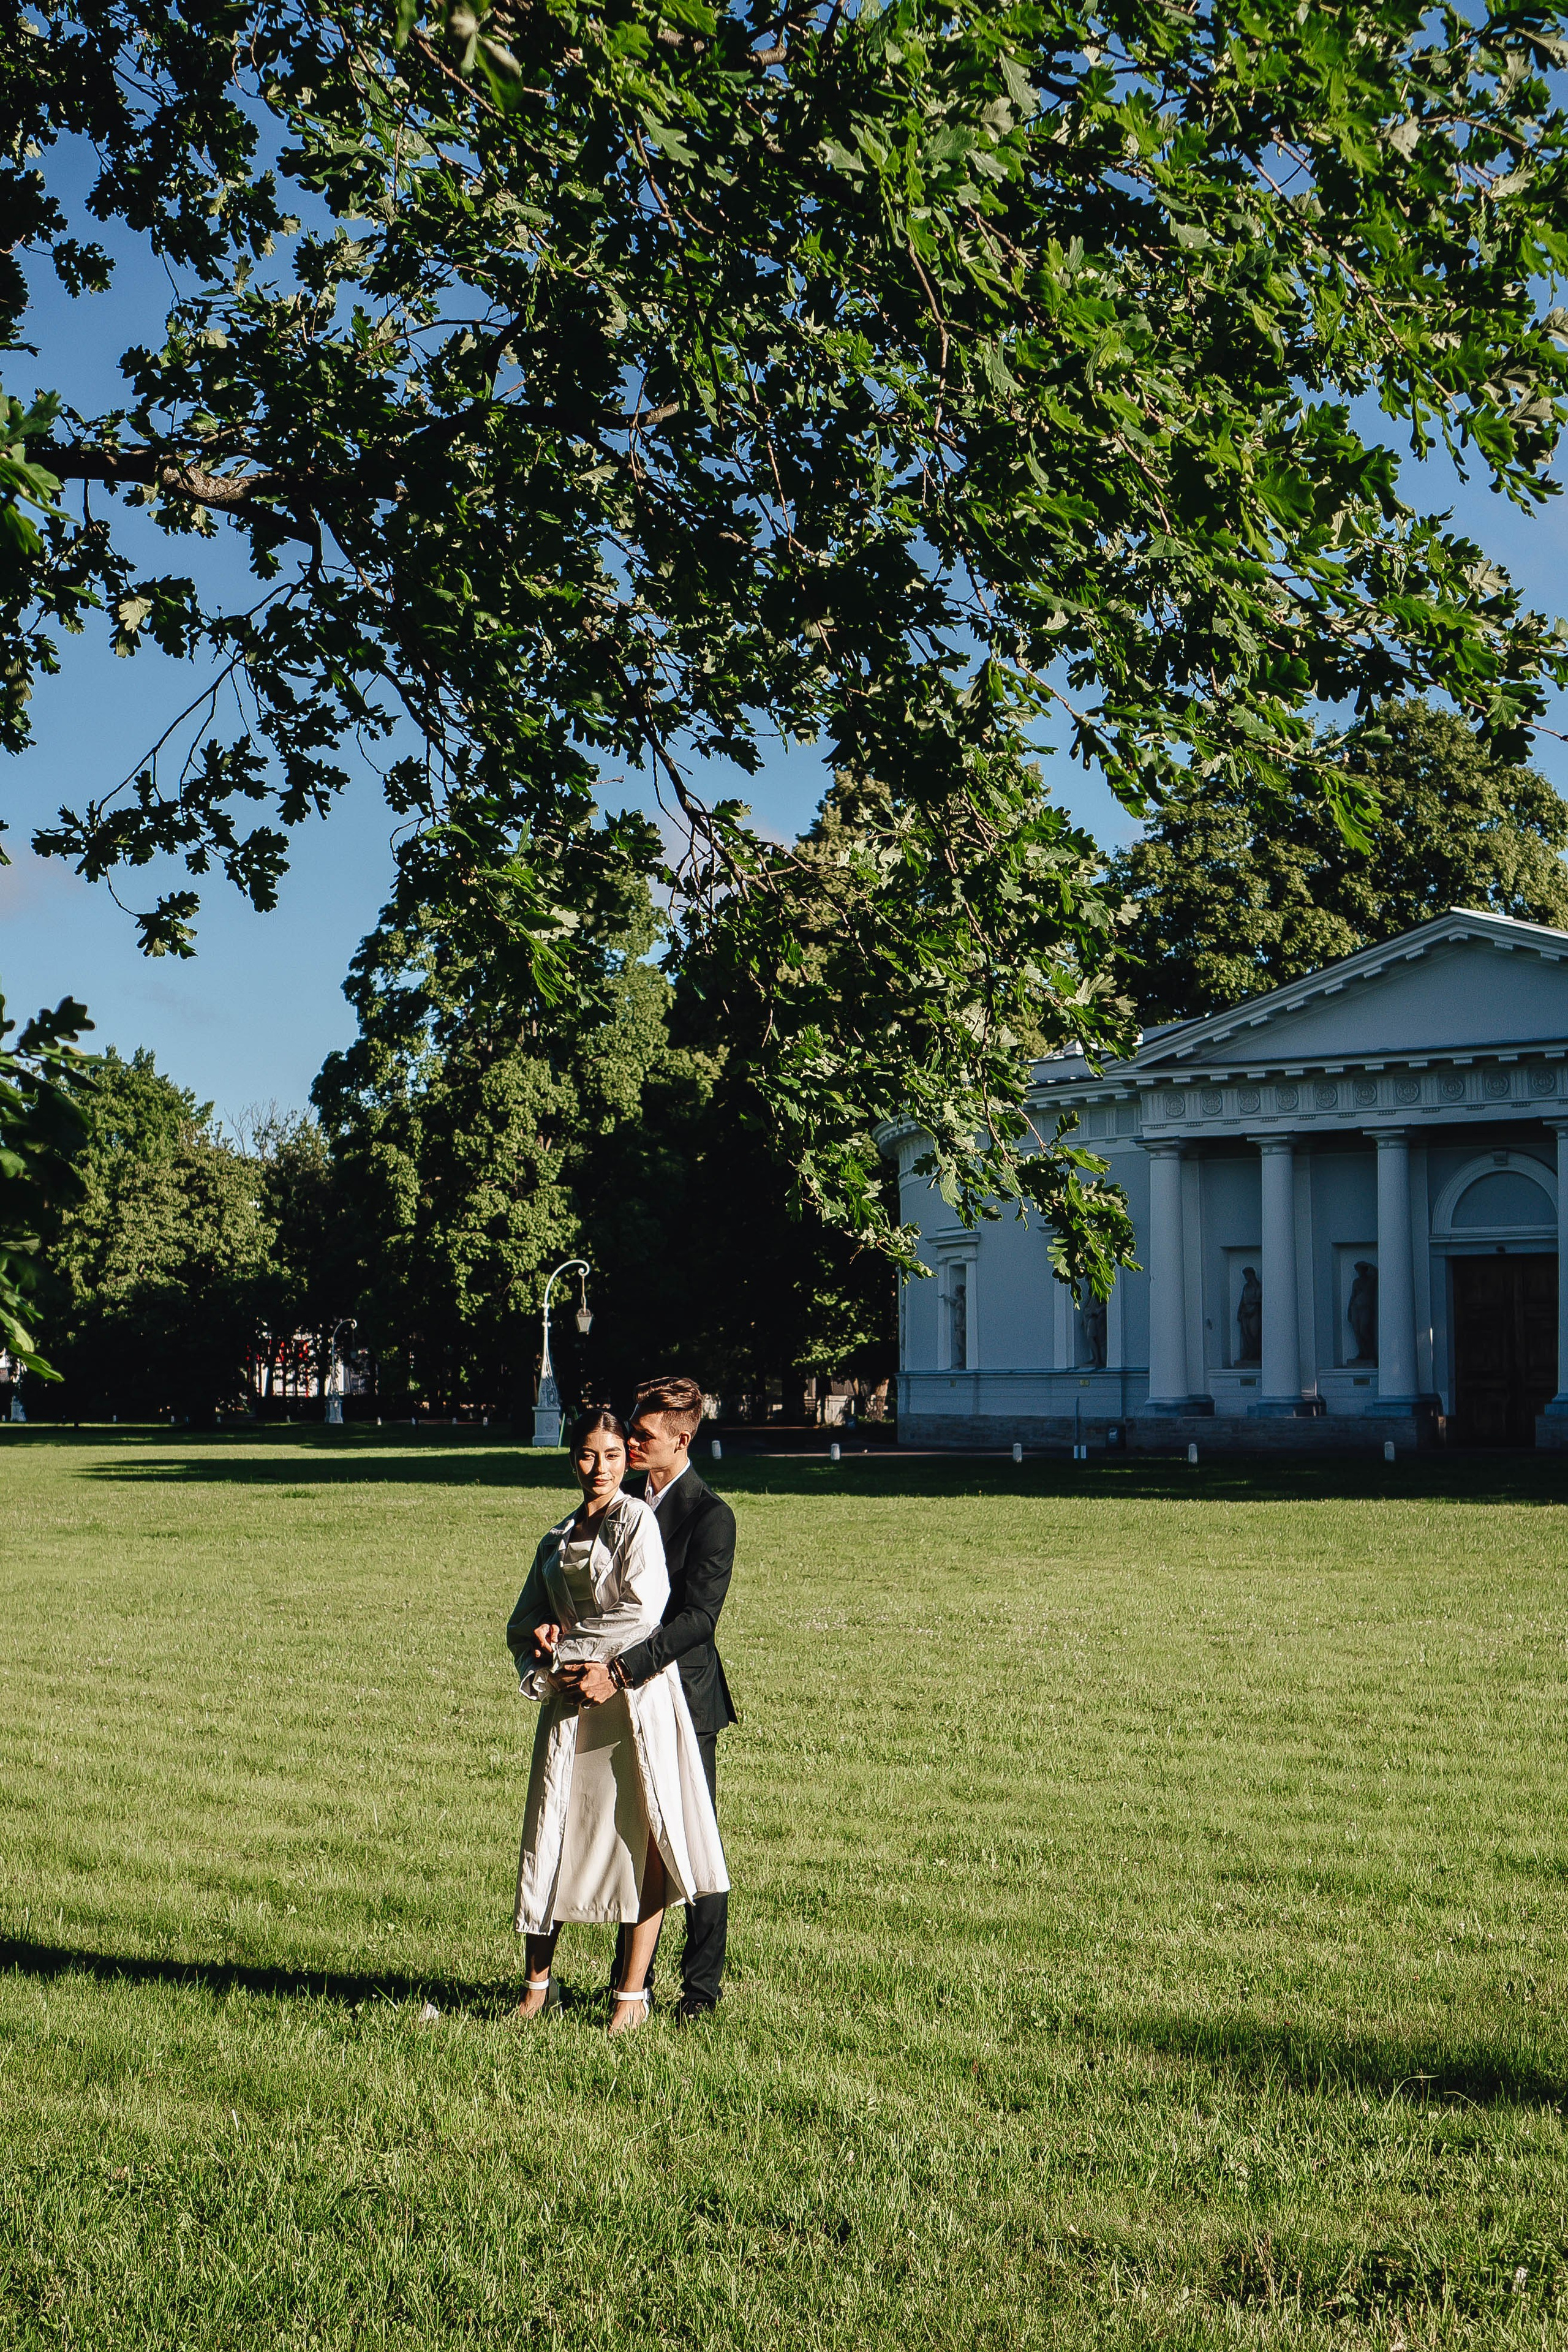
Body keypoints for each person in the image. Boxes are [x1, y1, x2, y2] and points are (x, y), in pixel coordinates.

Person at [507, 1406, 727, 2035]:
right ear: (570, 1457)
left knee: (643, 1836)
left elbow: (645, 1610)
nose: (600, 1466)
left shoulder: (636, 1521)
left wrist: (573, 1651)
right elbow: (523, 1624)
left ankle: (632, 1994)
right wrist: (545, 1658)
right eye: (586, 1454)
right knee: (550, 1832)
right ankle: (536, 1987)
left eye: (611, 1454)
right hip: (570, 1702)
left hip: (631, 1698)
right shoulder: (555, 1536)